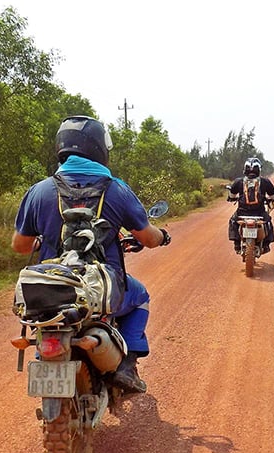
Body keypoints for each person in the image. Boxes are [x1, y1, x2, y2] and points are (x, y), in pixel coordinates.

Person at [11, 116, 171, 393]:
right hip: (101, 290)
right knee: (140, 297)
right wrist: (162, 235)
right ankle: (126, 366)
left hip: (51, 291)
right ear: (98, 147)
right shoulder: (116, 189)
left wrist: (45, 240)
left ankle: (47, 359)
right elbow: (149, 238)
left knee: (47, 320)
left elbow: (21, 246)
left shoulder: (39, 191)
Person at [227, 157, 274, 254]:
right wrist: (273, 199)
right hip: (260, 213)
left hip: (242, 213)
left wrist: (232, 198)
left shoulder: (238, 181)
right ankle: (266, 245)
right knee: (268, 222)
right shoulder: (265, 181)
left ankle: (237, 244)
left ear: (245, 169)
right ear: (259, 170)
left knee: (233, 221)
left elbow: (232, 195)